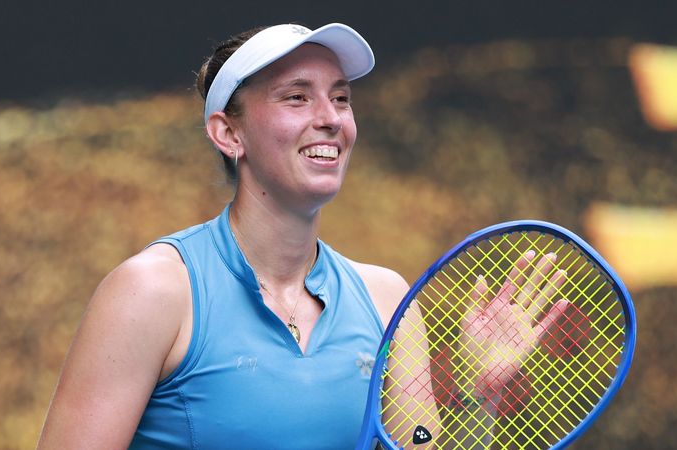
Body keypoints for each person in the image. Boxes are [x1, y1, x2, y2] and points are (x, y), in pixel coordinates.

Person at [37, 22, 568, 450]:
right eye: (296, 98)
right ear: (229, 133)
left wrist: (478, 396)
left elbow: (420, 446)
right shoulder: (151, 291)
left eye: (341, 99)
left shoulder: (386, 299)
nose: (330, 118)